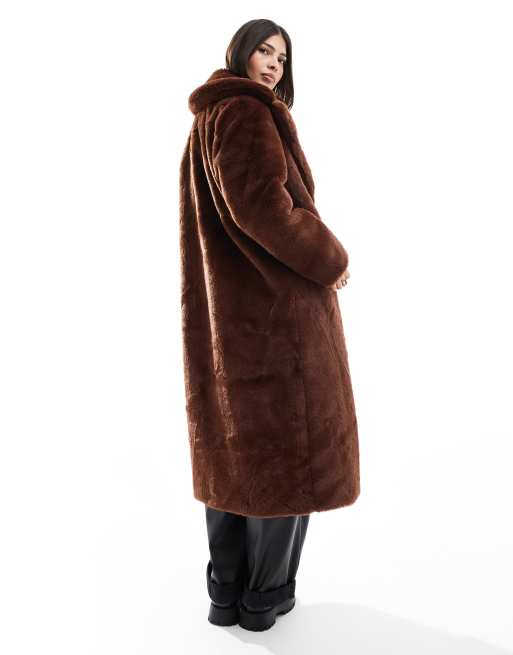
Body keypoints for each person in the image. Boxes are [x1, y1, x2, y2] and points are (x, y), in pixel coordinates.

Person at [179, 19, 360, 631]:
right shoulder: (248, 112)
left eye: (282, 56)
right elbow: (263, 209)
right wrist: (331, 259)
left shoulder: (209, 119)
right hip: (275, 324)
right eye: (263, 49)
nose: (275, 63)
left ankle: (226, 594)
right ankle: (263, 600)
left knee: (234, 458)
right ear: (238, 52)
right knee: (283, 459)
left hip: (231, 321)